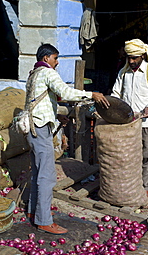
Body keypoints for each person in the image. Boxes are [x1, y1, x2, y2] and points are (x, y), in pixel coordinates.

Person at [25, 43, 109, 234]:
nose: (57, 63)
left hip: (32, 129)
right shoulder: (47, 72)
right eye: (55, 58)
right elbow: (65, 92)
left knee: (38, 173)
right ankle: (44, 221)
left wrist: (55, 117)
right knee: (47, 176)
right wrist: (91, 94)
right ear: (46, 58)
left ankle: (34, 213)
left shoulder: (33, 75)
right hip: (40, 130)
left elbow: (37, 103)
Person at [111, 38, 148, 200]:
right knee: (126, 155)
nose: (132, 61)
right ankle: (128, 185)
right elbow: (116, 95)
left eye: (135, 58)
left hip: (146, 122)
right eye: (129, 58)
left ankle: (145, 187)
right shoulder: (123, 72)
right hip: (127, 123)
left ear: (142, 56)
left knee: (146, 155)